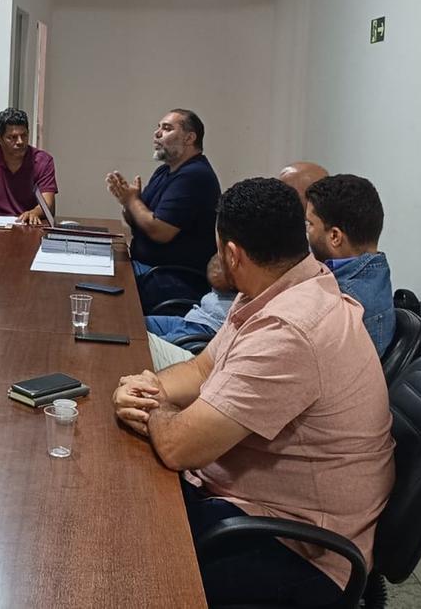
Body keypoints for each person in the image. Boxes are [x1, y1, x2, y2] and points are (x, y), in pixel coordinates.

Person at [113, 177, 394, 607]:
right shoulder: (282, 286)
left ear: (231, 253)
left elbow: (178, 446)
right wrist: (147, 388)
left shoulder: (291, 329)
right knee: (120, 495)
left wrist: (150, 409)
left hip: (297, 551)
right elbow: (203, 366)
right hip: (250, 505)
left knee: (118, 559)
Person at [106, 109, 220, 311]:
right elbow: (139, 221)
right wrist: (128, 202)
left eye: (167, 128)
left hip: (172, 279)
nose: (157, 133)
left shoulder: (195, 176)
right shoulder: (164, 171)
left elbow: (160, 231)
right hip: (149, 268)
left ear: (189, 138)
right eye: (158, 127)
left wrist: (132, 201)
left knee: (105, 285)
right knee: (98, 270)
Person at [305, 174, 395, 355]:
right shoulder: (374, 271)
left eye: (310, 224)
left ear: (335, 237)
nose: (306, 232)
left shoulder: (344, 299)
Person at [144, 255, 236, 371]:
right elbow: (214, 273)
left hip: (205, 331)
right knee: (136, 325)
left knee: (140, 345)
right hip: (192, 319)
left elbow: (220, 277)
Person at [0, 108, 58, 225]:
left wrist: (35, 212)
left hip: (30, 225)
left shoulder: (43, 161)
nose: (20, 141)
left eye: (24, 135)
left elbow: (48, 203)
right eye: (12, 137)